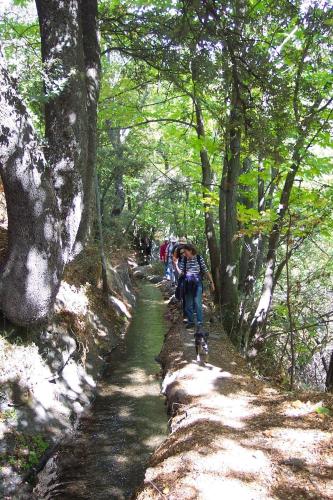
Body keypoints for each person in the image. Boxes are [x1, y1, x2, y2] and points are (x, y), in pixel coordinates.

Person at [179, 244, 215, 329]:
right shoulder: (184, 260)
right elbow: (181, 272)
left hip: (197, 284)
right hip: (187, 284)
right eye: (184, 252)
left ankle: (199, 323)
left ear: (190, 250)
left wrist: (211, 282)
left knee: (198, 303)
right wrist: (176, 265)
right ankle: (191, 322)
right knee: (188, 305)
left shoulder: (199, 258)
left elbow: (206, 270)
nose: (184, 253)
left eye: (185, 251)